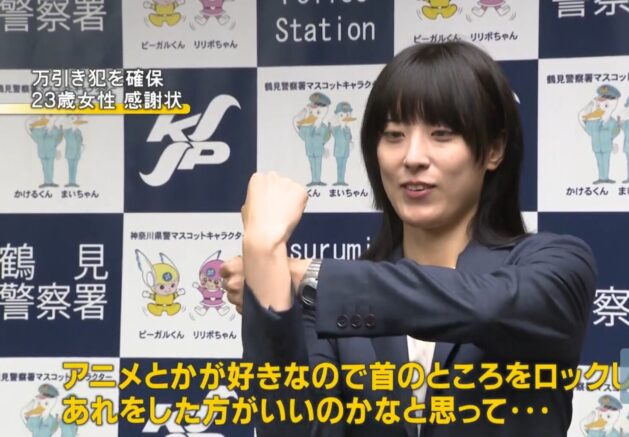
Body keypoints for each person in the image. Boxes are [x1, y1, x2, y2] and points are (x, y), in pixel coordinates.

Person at [223, 41, 597, 436]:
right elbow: (294, 428)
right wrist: (264, 257)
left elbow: (487, 307)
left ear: (494, 149)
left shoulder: (557, 264)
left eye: (442, 134)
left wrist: (305, 277)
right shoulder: (326, 300)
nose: (413, 157)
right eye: (394, 134)